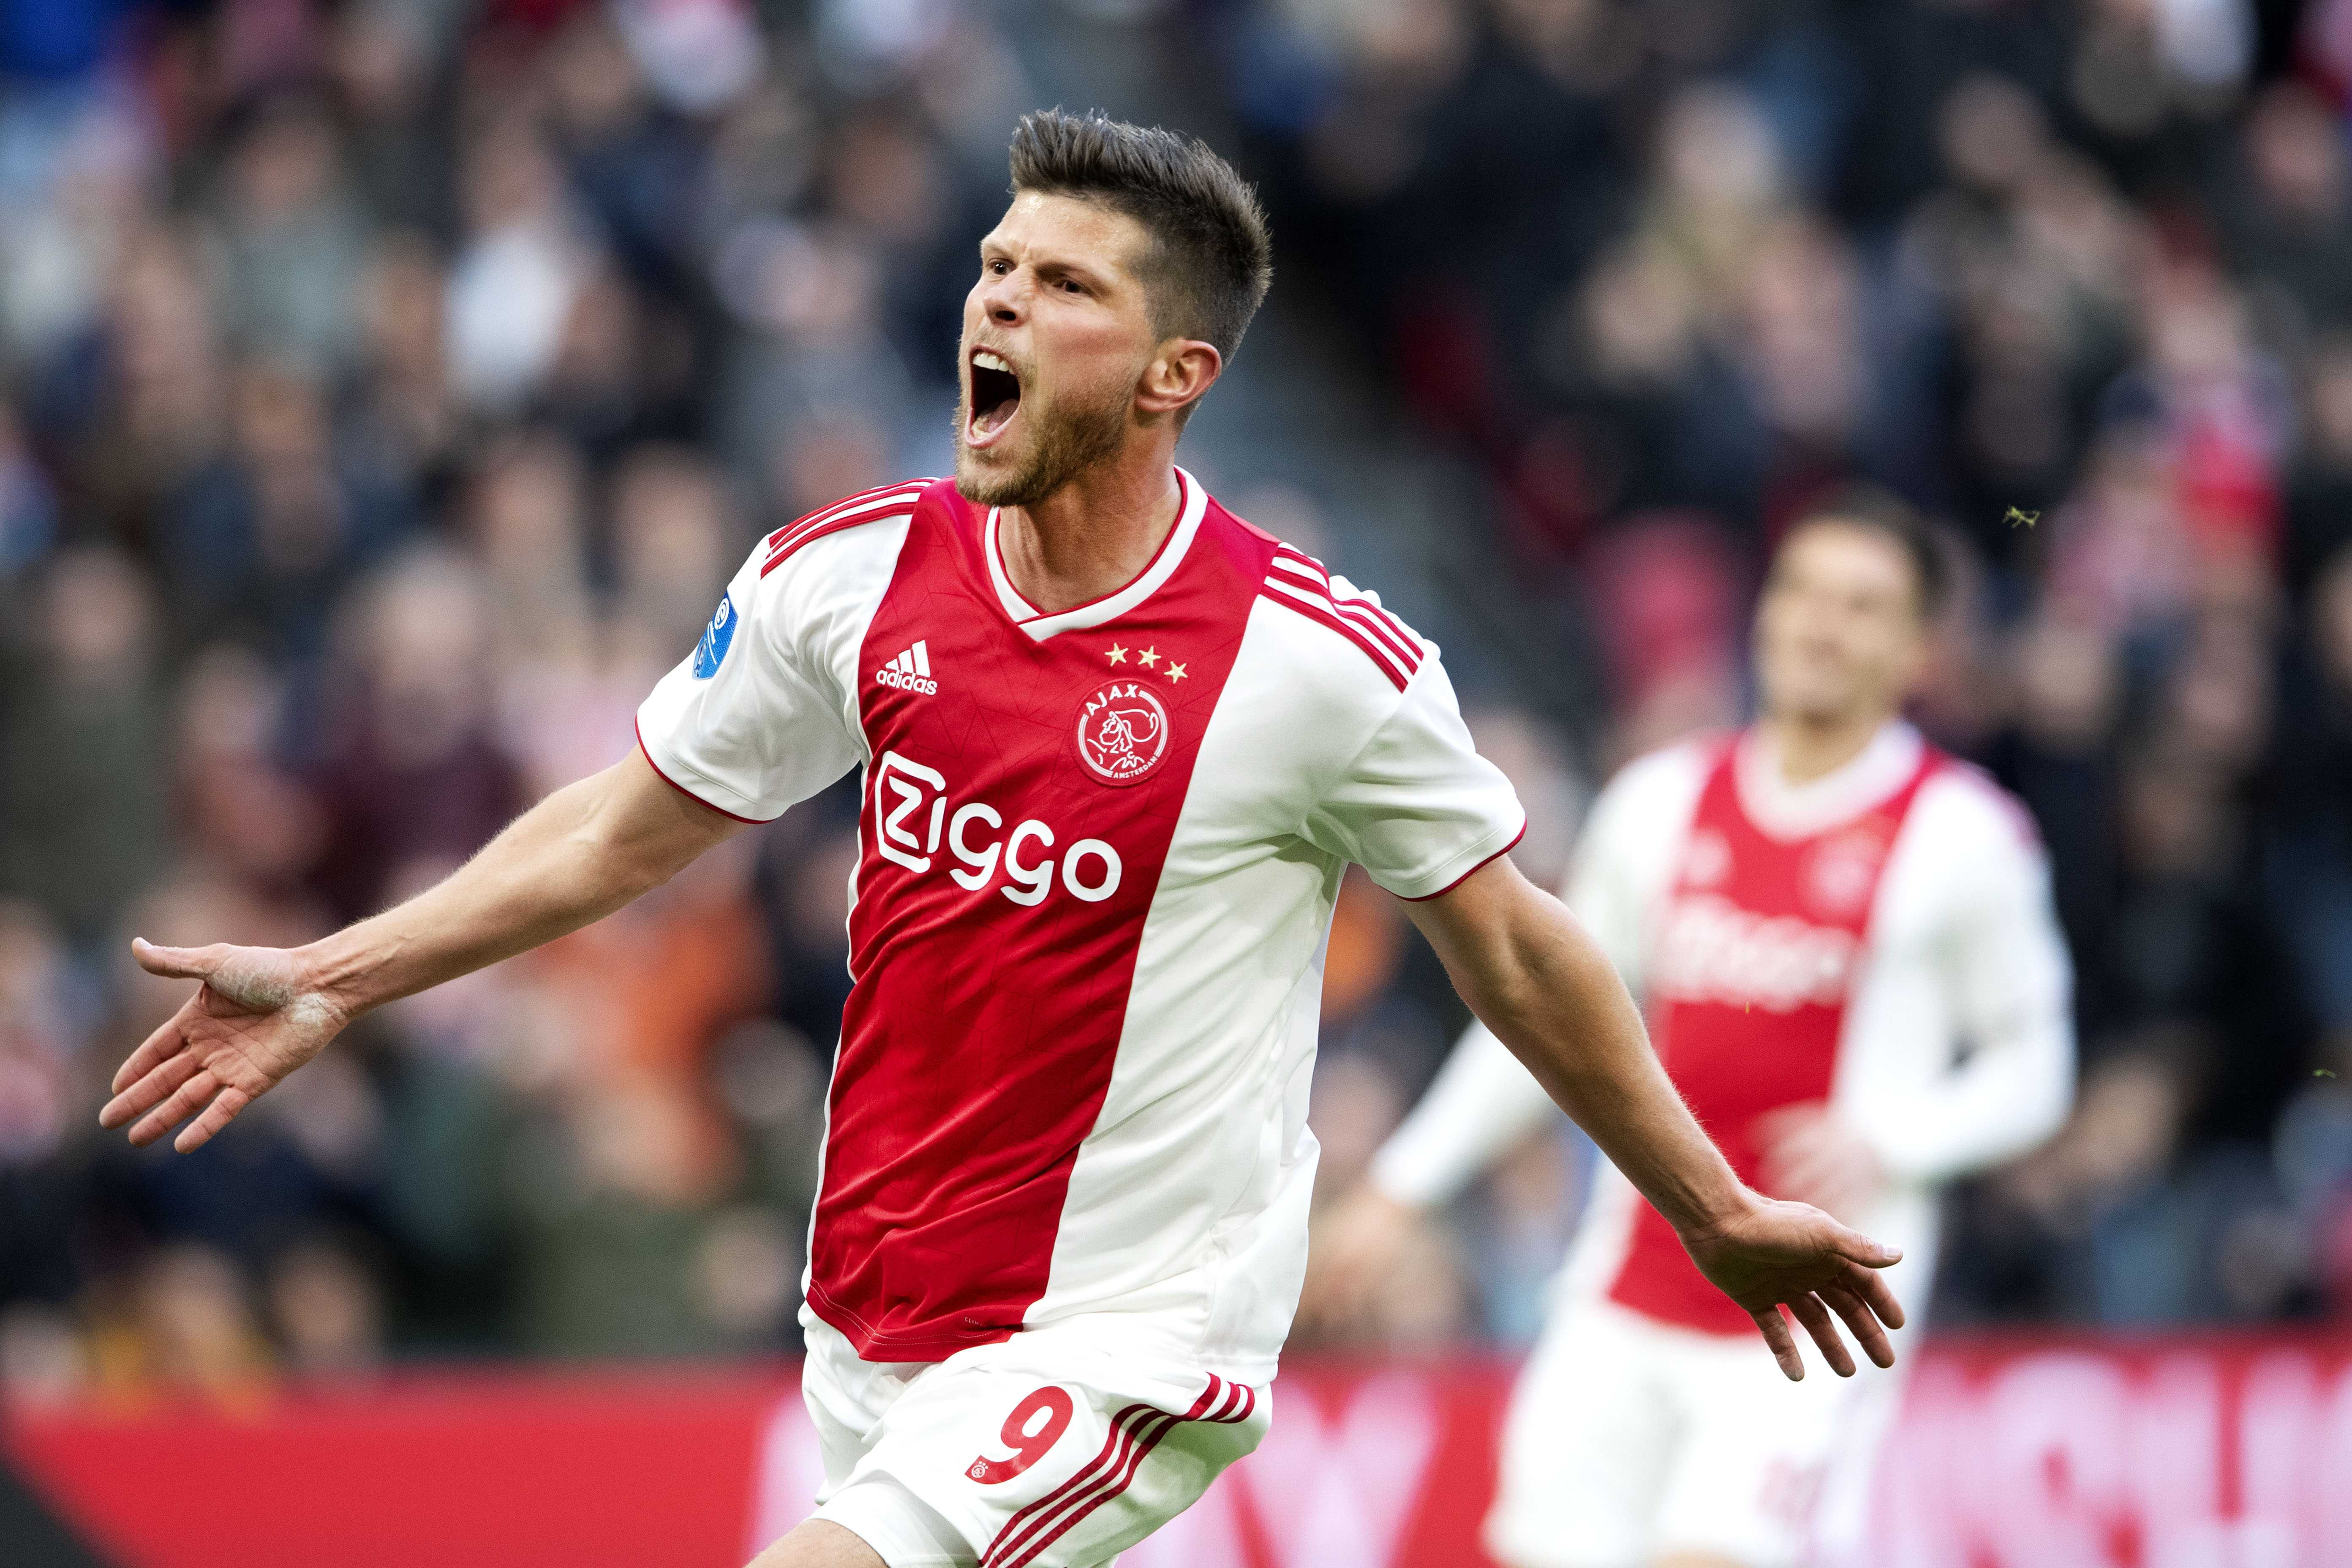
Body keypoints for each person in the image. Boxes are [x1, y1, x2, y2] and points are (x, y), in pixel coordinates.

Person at [99, 113, 1906, 1568]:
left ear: (1176, 371)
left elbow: (1516, 945)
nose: (998, 311)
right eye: (994, 270)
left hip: (1130, 1327)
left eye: (1060, 288)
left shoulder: (1314, 668)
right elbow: (621, 831)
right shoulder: (849, 578)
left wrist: (1713, 1205)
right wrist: (336, 976)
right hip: (876, 1303)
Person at [1313, 492, 2075, 1568]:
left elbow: (2037, 1065)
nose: (1820, 624)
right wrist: (1405, 1183)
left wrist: (1898, 1135)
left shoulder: (1967, 837)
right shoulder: (1659, 803)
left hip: (1812, 1327)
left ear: (1915, 648)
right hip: (1621, 1293)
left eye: (1861, 606)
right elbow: (1546, 1021)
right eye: (1803, 593)